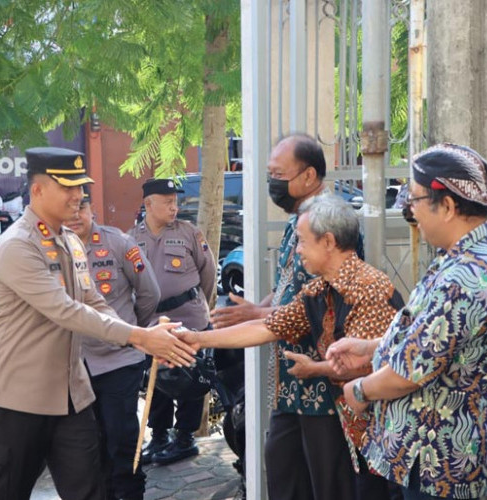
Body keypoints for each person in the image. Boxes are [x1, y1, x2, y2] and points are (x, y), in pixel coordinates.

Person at [0, 147, 195, 500]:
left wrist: (144, 340)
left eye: (80, 187)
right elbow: (64, 310)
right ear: (38, 190)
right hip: (17, 400)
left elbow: (92, 301)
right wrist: (139, 335)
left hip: (71, 397)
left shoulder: (71, 242)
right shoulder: (16, 245)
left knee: (90, 491)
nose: (77, 195)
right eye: (68, 187)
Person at [176, 194, 403, 497]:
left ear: (328, 242)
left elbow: (365, 365)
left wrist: (315, 369)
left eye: (302, 241)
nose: (297, 250)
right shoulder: (318, 289)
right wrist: (197, 339)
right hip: (352, 424)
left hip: (381, 434)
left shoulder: (369, 287)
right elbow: (268, 326)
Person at [326, 143, 487, 500]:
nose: (409, 211)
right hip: (433, 458)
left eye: (413, 200)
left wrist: (359, 390)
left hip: (439, 463)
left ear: (446, 206)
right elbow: (433, 343)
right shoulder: (472, 253)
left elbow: (408, 374)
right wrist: (372, 348)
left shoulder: (468, 275)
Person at [209, 134, 361, 500]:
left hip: (323, 385)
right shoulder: (304, 218)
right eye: (269, 173)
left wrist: (256, 314)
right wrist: (257, 308)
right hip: (293, 383)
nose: (272, 182)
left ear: (308, 176)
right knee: (283, 471)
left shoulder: (324, 220)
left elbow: (317, 307)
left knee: (325, 484)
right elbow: (290, 288)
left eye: (279, 174)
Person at [65, 189, 160, 500]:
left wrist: (130, 333)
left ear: (94, 209)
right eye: (71, 208)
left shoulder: (118, 243)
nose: (76, 215)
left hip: (119, 360)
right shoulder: (52, 249)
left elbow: (149, 294)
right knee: (89, 441)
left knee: (121, 436)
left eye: (83, 207)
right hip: (75, 363)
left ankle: (131, 493)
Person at [129, 178, 217, 466]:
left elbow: (208, 274)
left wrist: (197, 307)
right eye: (167, 202)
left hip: (189, 318)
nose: (174, 207)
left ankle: (184, 438)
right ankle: (159, 436)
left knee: (191, 380)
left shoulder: (189, 232)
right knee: (159, 378)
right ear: (148, 204)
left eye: (175, 201)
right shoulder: (132, 239)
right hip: (154, 323)